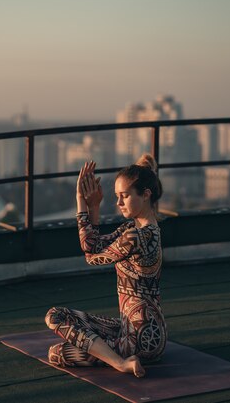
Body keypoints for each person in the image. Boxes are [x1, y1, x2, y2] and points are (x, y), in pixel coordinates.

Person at [44, 154, 167, 378]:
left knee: (56, 334)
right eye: (117, 197)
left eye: (125, 196)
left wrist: (82, 203)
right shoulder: (139, 229)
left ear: (146, 194)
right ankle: (121, 358)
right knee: (60, 333)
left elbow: (90, 256)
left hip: (138, 340)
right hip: (138, 331)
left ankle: (120, 363)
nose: (119, 203)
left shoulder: (135, 237)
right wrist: (93, 207)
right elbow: (92, 245)